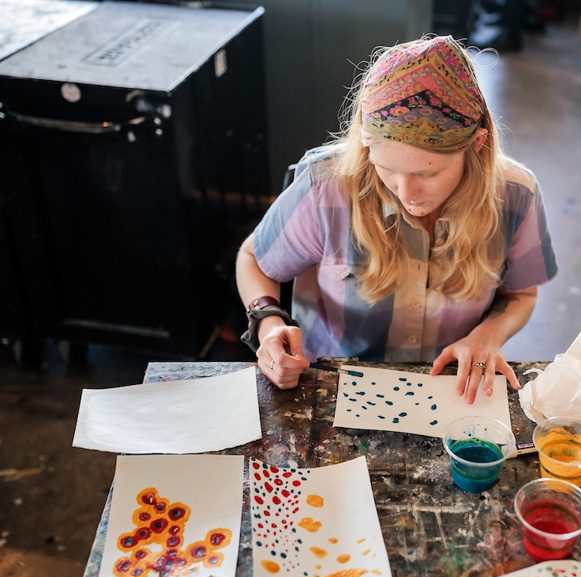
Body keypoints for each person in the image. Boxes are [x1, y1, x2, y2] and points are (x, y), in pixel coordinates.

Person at [236, 35, 557, 404]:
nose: (406, 193)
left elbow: (521, 295)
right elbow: (254, 261)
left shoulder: (516, 195)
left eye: (427, 173)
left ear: (478, 144)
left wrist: (487, 336)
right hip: (331, 385)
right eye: (386, 168)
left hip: (450, 389)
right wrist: (268, 322)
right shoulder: (327, 187)